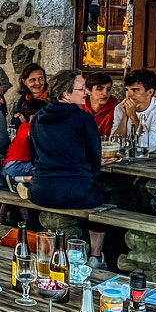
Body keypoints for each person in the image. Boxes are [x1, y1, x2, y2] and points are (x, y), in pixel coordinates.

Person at [28, 70, 108, 267]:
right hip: (77, 191)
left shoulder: (38, 117)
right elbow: (94, 158)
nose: (87, 92)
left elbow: (33, 155)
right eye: (82, 89)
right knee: (109, 195)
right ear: (65, 94)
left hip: (40, 191)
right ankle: (96, 256)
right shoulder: (83, 118)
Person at [112, 69, 156, 156]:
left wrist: (133, 116)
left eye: (135, 90)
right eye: (127, 90)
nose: (129, 95)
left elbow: (150, 145)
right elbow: (115, 143)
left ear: (150, 92)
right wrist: (125, 117)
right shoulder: (120, 108)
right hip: (135, 156)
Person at [2, 98, 46, 185]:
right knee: (47, 171)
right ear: (33, 118)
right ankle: (18, 179)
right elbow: (30, 137)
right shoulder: (30, 130)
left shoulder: (22, 127)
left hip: (11, 166)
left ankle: (18, 182)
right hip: (17, 166)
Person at [82, 72, 118, 136]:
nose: (105, 93)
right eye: (100, 89)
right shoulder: (79, 108)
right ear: (88, 91)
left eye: (108, 89)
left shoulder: (116, 110)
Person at [12, 62, 47, 127]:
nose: (37, 83)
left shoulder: (51, 100)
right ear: (24, 81)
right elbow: (14, 121)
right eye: (32, 80)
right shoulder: (23, 99)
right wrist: (19, 119)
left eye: (40, 78)